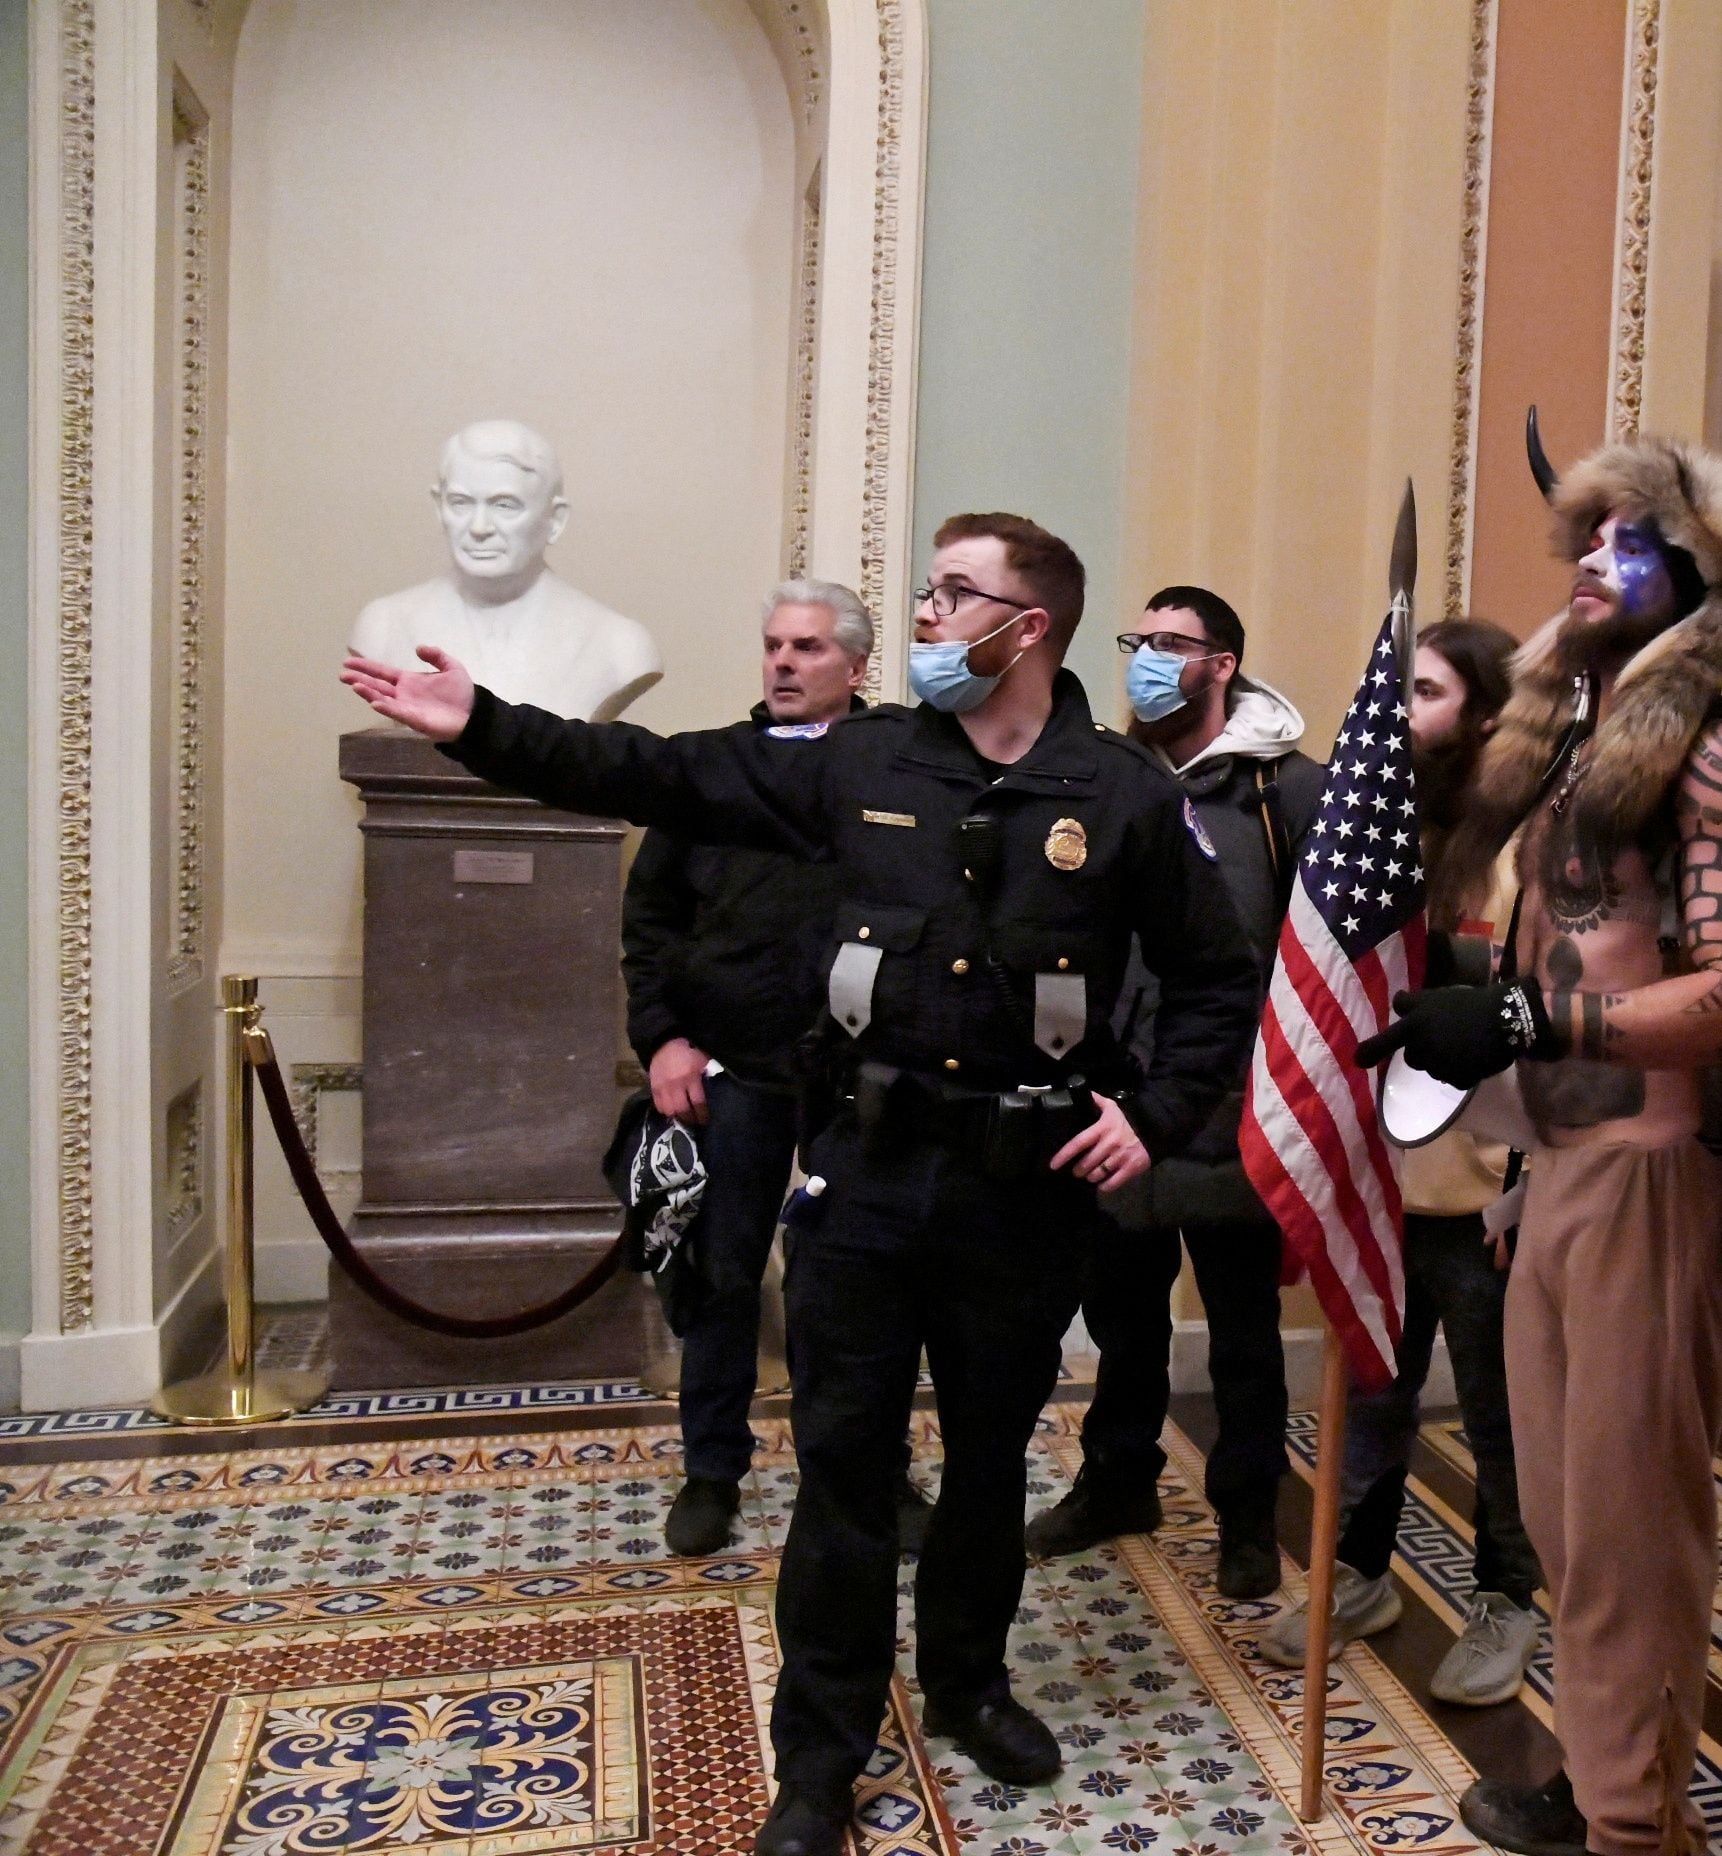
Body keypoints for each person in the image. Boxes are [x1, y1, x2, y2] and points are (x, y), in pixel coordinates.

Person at [342, 512, 1261, 1856]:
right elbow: (654, 771)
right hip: (869, 1180)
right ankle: (819, 1759)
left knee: (993, 1462)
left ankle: (967, 1684)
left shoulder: (1117, 795)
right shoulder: (862, 760)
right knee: (841, 1468)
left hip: (1022, 1193)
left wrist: (1157, 1114)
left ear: (1032, 628)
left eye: (957, 593)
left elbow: (1216, 977)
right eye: (931, 590)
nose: (931, 614)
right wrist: (480, 720)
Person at [1359, 430, 1722, 1856]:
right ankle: (1597, 1786)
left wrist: (1532, 1023)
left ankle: (1633, 1829)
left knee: (1632, 1548)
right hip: (1562, 1178)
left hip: (1657, 1185)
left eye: (1629, 541)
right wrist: (1518, 1136)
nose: (1592, 560)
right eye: (1587, 539)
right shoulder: (1580, 746)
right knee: (1572, 1534)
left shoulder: (1718, 758)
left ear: (1699, 583)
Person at [1257, 617, 1546, 1708]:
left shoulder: (1521, 849)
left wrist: (1525, 1176)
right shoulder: (1373, 834)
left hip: (1476, 1178)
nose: (1400, 714)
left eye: (1424, 692)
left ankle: (1506, 1599)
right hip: (1378, 1174)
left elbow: (1532, 1018)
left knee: (1494, 1409)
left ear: (1480, 713)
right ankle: (1365, 1573)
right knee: (1372, 1393)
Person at [1025, 585, 1324, 1599]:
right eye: (1137, 641)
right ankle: (1118, 1481)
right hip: (1112, 1098)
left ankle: (1248, 1517)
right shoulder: (1102, 776)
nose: (1145, 658)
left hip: (1232, 1104)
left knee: (1242, 1328)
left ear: (1223, 663)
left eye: (1169, 643)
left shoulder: (1288, 794)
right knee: (1122, 1317)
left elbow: (1317, 957)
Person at [621, 580, 921, 1560]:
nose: (784, 662)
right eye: (773, 645)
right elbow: (651, 921)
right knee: (722, 1277)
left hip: (864, 1078)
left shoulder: (905, 766)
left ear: (855, 666)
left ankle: (874, 1470)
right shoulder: (713, 771)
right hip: (734, 1073)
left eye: (807, 647)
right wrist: (663, 1035)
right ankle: (713, 1468)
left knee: (859, 1291)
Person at [348, 419, 664, 720]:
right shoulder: (385, 625)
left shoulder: (620, 646)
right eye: (461, 502)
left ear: (555, 520)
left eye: (504, 505)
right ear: (438, 506)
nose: (479, 527)